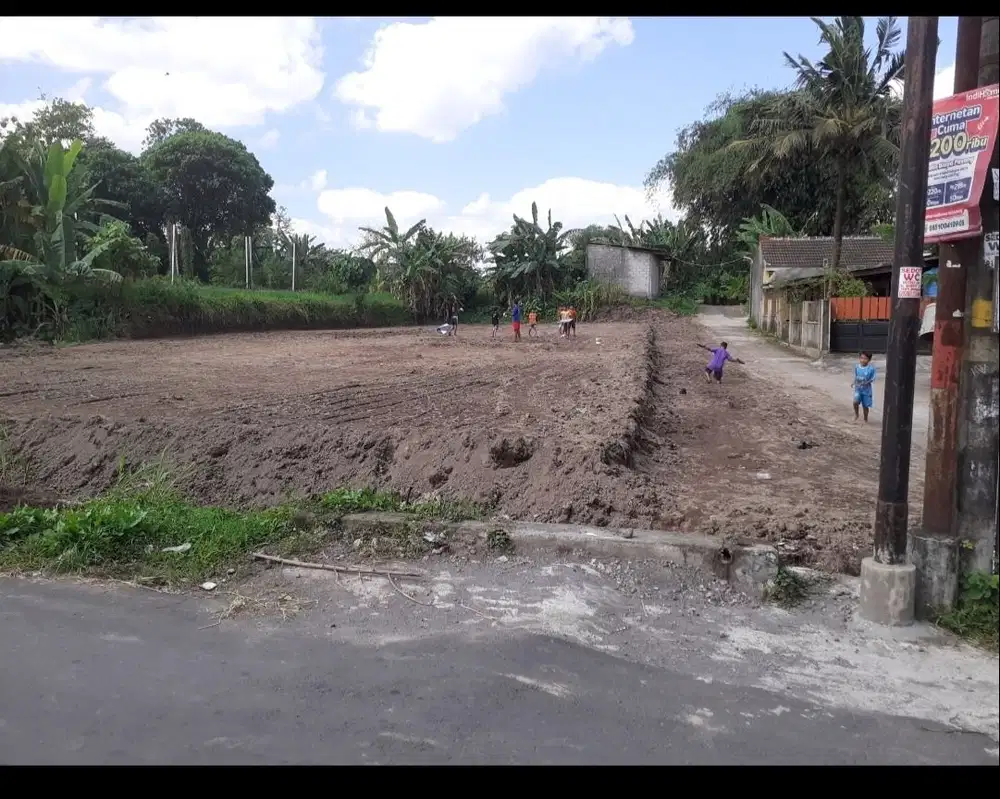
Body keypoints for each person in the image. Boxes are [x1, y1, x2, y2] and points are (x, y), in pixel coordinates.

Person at [852, 351, 876, 423]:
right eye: (861, 358)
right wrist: (853, 383)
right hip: (858, 389)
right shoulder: (857, 367)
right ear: (859, 358)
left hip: (867, 391)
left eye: (865, 358)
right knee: (855, 401)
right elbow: (856, 376)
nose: (863, 360)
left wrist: (866, 382)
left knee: (865, 406)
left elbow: (872, 379)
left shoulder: (871, 369)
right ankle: (856, 414)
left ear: (869, 360)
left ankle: (865, 419)